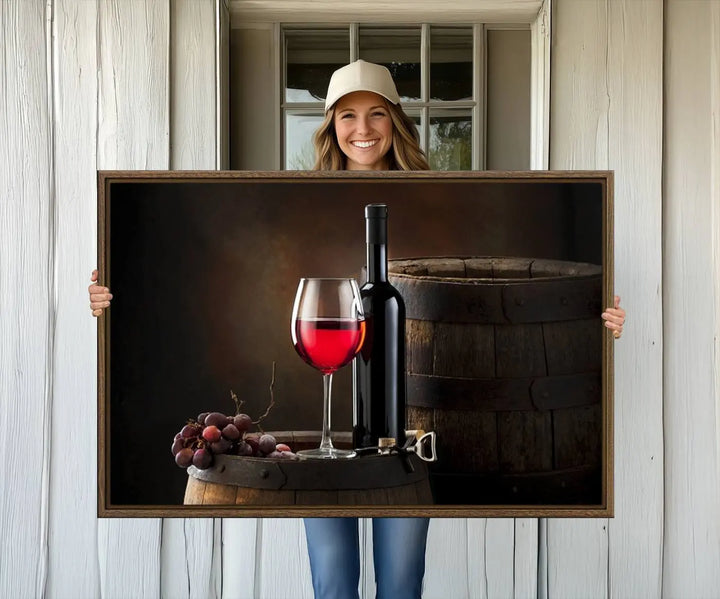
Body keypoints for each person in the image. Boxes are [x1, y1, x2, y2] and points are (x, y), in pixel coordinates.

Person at [88, 60, 626, 599]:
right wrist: (104, 297)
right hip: (324, 447)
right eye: (348, 115)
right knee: (333, 586)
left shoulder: (447, 189)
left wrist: (601, 318)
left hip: (410, 443)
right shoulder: (293, 191)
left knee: (400, 587)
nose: (363, 130)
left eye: (376, 115)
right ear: (330, 125)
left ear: (396, 122)